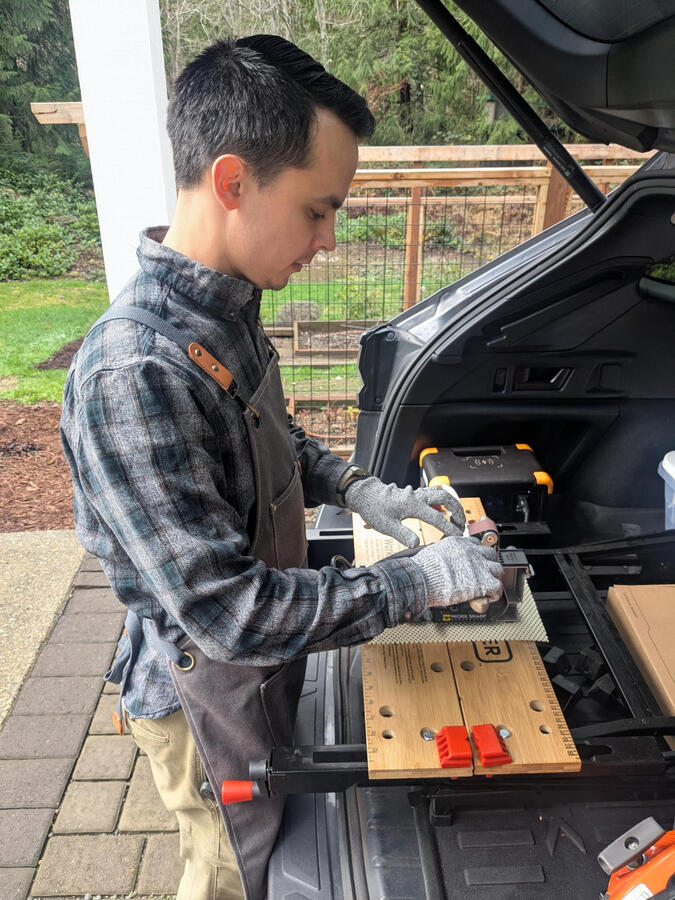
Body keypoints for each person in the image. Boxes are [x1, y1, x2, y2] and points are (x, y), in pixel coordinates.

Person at [60, 35, 503, 900]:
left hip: (260, 665)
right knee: (234, 874)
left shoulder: (223, 311)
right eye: (316, 210)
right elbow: (227, 611)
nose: (330, 240)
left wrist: (355, 487)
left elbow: (267, 433)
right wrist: (419, 584)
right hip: (205, 701)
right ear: (232, 183)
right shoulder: (133, 374)